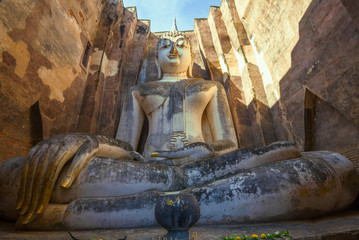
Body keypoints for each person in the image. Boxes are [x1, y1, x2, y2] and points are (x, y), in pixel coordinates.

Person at [0, 29, 357, 230]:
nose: (173, 49)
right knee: (18, 176)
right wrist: (89, 142)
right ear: (155, 56)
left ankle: (129, 209)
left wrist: (206, 153)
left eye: (181, 44)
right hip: (146, 170)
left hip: (209, 168)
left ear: (192, 54)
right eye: (165, 45)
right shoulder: (140, 91)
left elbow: (229, 143)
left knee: (324, 168)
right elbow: (125, 146)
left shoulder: (209, 88)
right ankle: (178, 196)